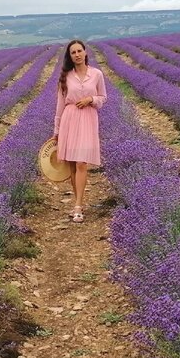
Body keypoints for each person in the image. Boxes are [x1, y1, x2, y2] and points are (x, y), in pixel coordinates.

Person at [53, 39, 107, 222]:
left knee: (82, 163)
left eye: (79, 51)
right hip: (69, 118)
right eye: (72, 52)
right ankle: (79, 203)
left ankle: (77, 205)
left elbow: (103, 97)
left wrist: (91, 99)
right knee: (72, 165)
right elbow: (60, 106)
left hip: (88, 119)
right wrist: (57, 130)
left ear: (85, 52)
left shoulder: (97, 74)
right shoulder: (65, 77)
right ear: (70, 56)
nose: (76, 55)